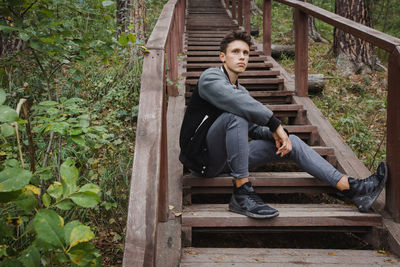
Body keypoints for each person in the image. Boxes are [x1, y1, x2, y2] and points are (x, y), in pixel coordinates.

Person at [179, 30, 387, 219]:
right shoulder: (210, 78)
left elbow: (252, 128)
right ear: (222, 57)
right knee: (237, 116)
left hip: (227, 159)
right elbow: (239, 107)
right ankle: (242, 193)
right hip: (203, 160)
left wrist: (280, 134)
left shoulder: (241, 92)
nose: (242, 56)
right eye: (235, 52)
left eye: (246, 53)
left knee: (292, 141)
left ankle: (352, 188)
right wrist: (274, 123)